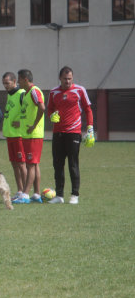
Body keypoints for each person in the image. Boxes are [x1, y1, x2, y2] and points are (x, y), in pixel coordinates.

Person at [47, 66, 94, 204]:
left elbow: (88, 109)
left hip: (73, 133)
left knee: (73, 164)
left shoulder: (80, 90)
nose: (67, 81)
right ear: (60, 78)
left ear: (72, 78)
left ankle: (75, 195)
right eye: (65, 79)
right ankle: (59, 196)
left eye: (70, 78)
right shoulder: (53, 92)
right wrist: (51, 116)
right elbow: (50, 109)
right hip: (58, 133)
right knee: (58, 164)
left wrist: (90, 128)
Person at [13, 69, 45, 204]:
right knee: (34, 164)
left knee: (30, 165)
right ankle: (36, 194)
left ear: (25, 79)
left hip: (33, 135)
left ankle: (25, 195)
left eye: (19, 79)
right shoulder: (26, 94)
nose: (18, 82)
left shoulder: (33, 91)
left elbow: (42, 107)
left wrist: (34, 125)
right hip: (28, 134)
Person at [1, 72, 27, 200]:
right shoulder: (10, 95)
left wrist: (21, 122)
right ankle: (20, 190)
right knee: (14, 164)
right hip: (10, 135)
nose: (5, 86)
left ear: (14, 81)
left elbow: (30, 112)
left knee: (22, 164)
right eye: (4, 83)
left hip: (19, 135)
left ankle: (26, 192)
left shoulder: (22, 94)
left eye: (8, 83)